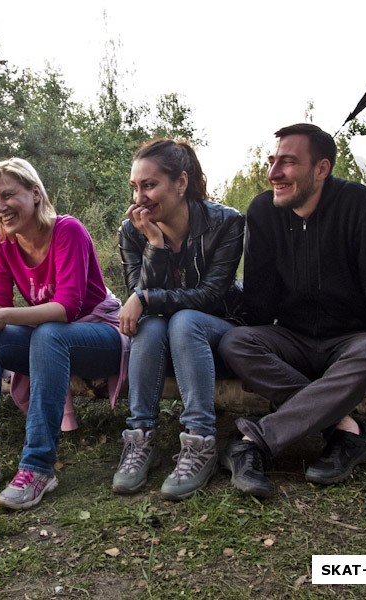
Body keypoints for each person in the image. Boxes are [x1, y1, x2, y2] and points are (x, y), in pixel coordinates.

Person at [218, 123, 366, 497]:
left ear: (321, 169)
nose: (274, 173)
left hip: (353, 339)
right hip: (293, 337)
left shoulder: (358, 205)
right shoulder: (263, 211)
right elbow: (260, 297)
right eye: (272, 161)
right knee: (235, 344)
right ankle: (343, 429)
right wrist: (253, 359)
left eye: (288, 163)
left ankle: (256, 439)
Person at [0, 158, 127, 510]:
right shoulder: (1, 243)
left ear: (35, 194)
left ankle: (39, 466)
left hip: (102, 333)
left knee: (49, 333)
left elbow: (68, 307)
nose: (0, 207)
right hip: (51, 339)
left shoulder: (67, 230)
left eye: (8, 195)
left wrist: (3, 315)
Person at [111, 138, 245, 500]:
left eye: (150, 185)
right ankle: (140, 440)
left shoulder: (226, 222)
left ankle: (200, 443)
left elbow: (212, 296)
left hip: (219, 331)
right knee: (151, 324)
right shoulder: (132, 232)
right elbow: (140, 299)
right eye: (135, 187)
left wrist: (146, 297)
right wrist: (154, 244)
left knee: (185, 320)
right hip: (163, 338)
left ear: (181, 183)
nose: (140, 197)